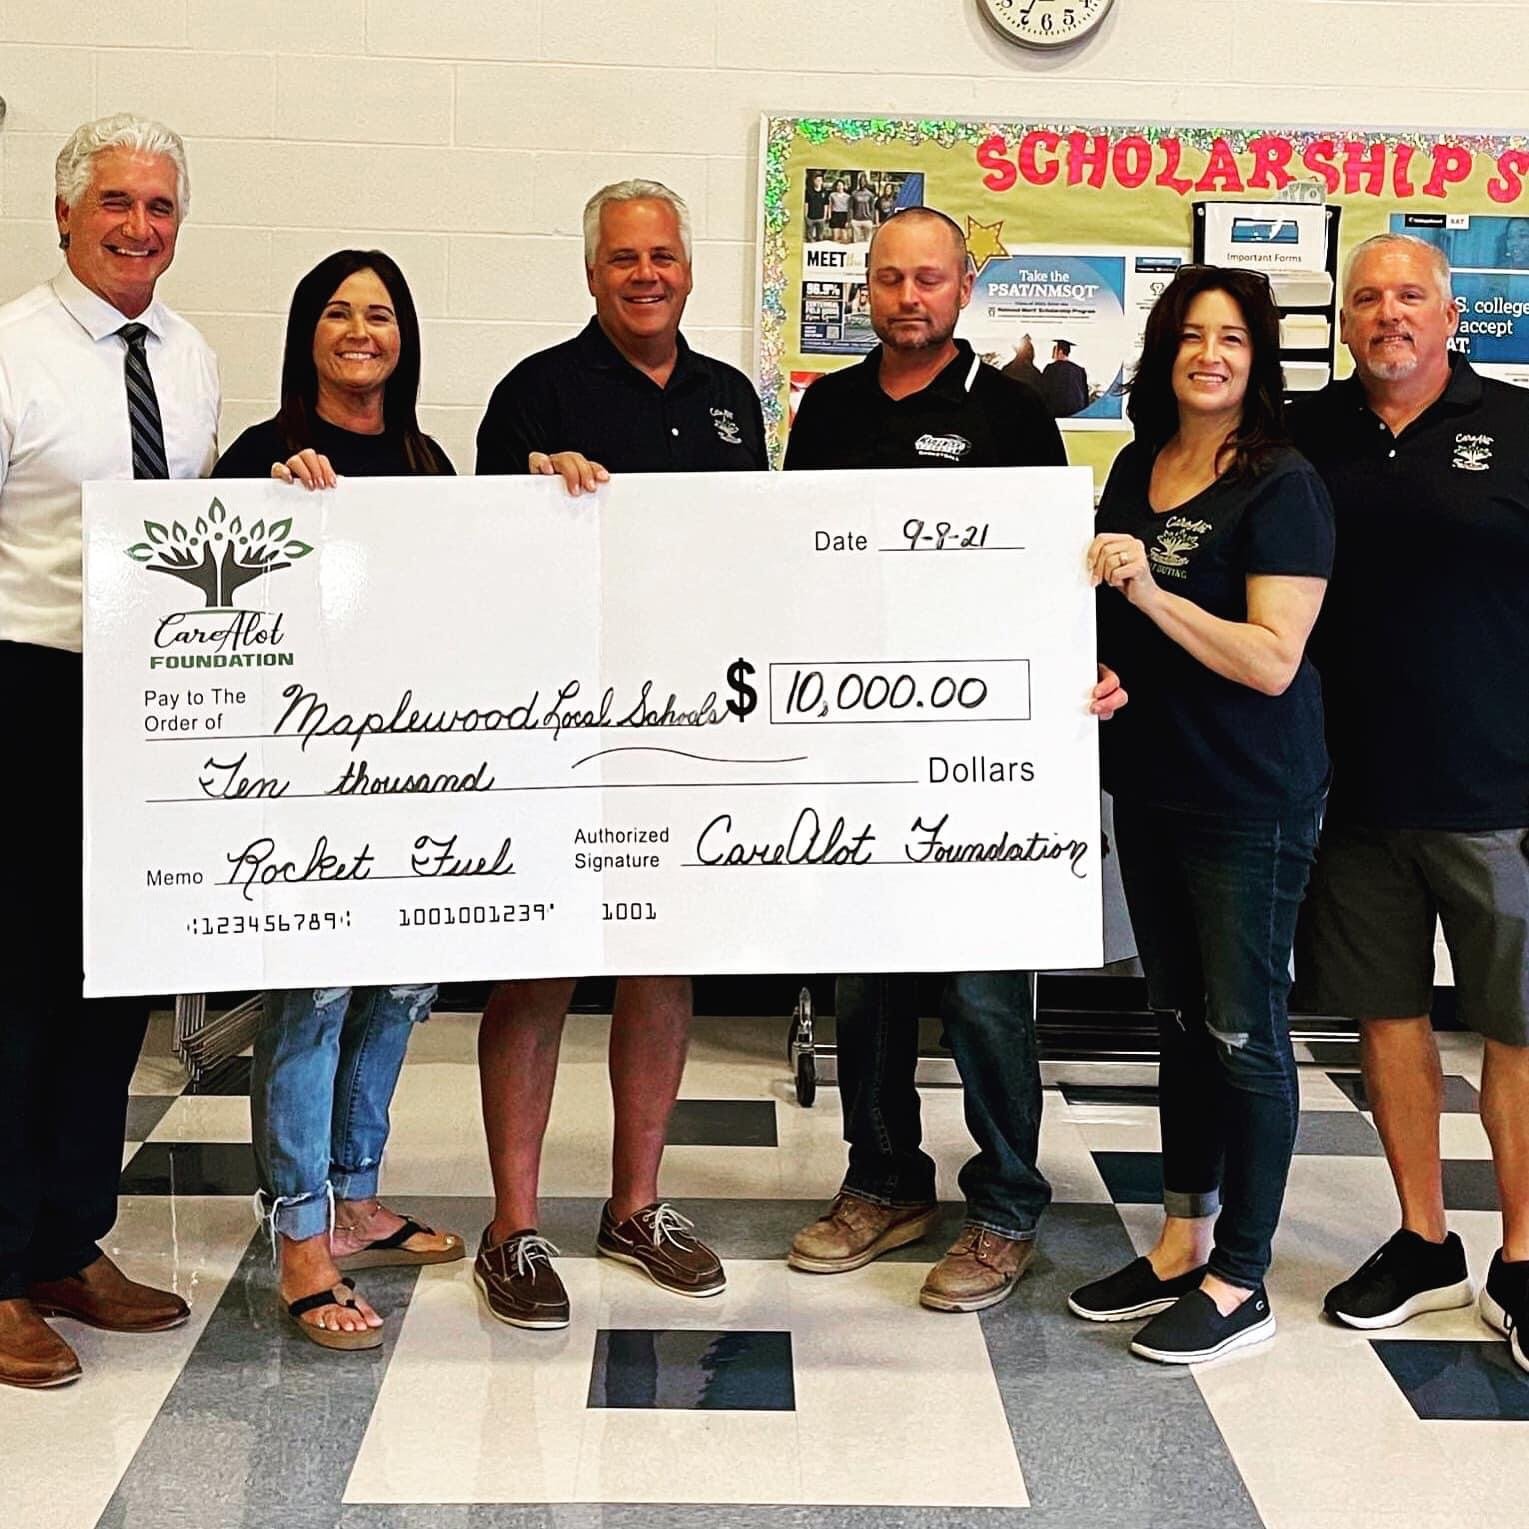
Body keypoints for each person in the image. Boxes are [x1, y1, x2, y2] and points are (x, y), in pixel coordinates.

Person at [783, 207, 1126, 1313]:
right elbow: (784, 563)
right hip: (851, 742)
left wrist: (1076, 685)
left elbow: (1048, 579)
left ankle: (1005, 1204)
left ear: (962, 284)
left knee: (983, 990)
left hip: (977, 754)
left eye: (927, 278)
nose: (905, 297)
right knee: (867, 979)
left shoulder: (1012, 411)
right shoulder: (825, 409)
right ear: (864, 290)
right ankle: (882, 1179)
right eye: (887, 279)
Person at [474, 180, 766, 1330]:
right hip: (560, 721)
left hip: (690, 724)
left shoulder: (731, 398)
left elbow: (761, 555)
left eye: (662, 256)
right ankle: (512, 1224)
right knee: (538, 965)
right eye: (621, 259)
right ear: (589, 272)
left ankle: (636, 1203)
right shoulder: (534, 391)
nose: (644, 275)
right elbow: (472, 554)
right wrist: (533, 493)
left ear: (686, 266)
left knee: (658, 962)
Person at [1069, 265, 1334, 1364]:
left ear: (1258, 356)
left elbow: (1270, 660)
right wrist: (1104, 665)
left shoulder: (1282, 485)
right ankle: (1182, 1238)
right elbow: (1137, 638)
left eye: (1230, 337)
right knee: (1175, 1020)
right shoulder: (1139, 463)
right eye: (1189, 335)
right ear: (1164, 350)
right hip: (1154, 782)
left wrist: (1146, 594)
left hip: (1248, 796)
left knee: (1243, 1032)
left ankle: (1243, 1274)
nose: (1209, 353)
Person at [0, 113, 218, 1390]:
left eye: (162, 208)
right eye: (120, 204)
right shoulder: (12, 351)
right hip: (28, 685)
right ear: (67, 213)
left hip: (146, 705)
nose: (142, 227)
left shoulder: (186, 357)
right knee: (18, 989)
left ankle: (69, 1239)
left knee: (112, 983)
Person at [213, 250, 464, 1351]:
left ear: (403, 335)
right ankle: (301, 1234)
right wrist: (272, 515)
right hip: (298, 776)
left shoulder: (426, 458)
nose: (359, 330)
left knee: (399, 986)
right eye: (336, 312)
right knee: (311, 993)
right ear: (304, 333)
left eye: (379, 313)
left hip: (411, 766)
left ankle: (356, 1192)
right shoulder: (260, 458)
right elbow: (211, 618)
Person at [1290, 234, 1529, 1376]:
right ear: (1342, 320)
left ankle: (1523, 1257)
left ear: (1449, 317)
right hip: (1353, 793)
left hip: (1501, 792)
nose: (1386, 314)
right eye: (1366, 298)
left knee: (1515, 1027)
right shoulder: (1307, 435)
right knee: (1385, 1018)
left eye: (1408, 297)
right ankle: (1423, 1238)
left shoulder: (1518, 425)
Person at [1041, 338, 1090, 417]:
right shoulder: (1079, 370)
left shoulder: (1050, 369)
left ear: (1060, 352)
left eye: (1055, 350)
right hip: (1076, 412)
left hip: (1056, 413)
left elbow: (1044, 391)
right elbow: (1085, 397)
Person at [849, 178, 877, 245]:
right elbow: (850, 207)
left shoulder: (870, 195)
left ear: (866, 182)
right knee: (855, 243)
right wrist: (850, 219)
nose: (862, 183)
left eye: (864, 182)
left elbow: (872, 208)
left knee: (867, 242)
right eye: (861, 181)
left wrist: (872, 219)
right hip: (856, 220)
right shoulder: (854, 194)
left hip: (867, 220)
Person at [805, 172, 830, 244]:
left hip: (821, 217)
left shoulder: (825, 192)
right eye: (817, 180)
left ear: (822, 182)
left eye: (820, 180)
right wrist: (806, 215)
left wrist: (825, 216)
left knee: (820, 237)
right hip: (810, 217)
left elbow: (826, 205)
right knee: (810, 238)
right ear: (814, 181)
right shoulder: (809, 191)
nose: (818, 182)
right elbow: (806, 203)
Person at [829, 178, 853, 244]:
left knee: (844, 237)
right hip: (835, 214)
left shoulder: (848, 196)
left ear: (844, 186)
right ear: (836, 187)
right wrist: (829, 215)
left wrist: (848, 220)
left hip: (844, 215)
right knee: (835, 237)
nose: (839, 187)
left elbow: (849, 208)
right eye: (838, 185)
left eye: (841, 185)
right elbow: (830, 205)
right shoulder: (832, 195)